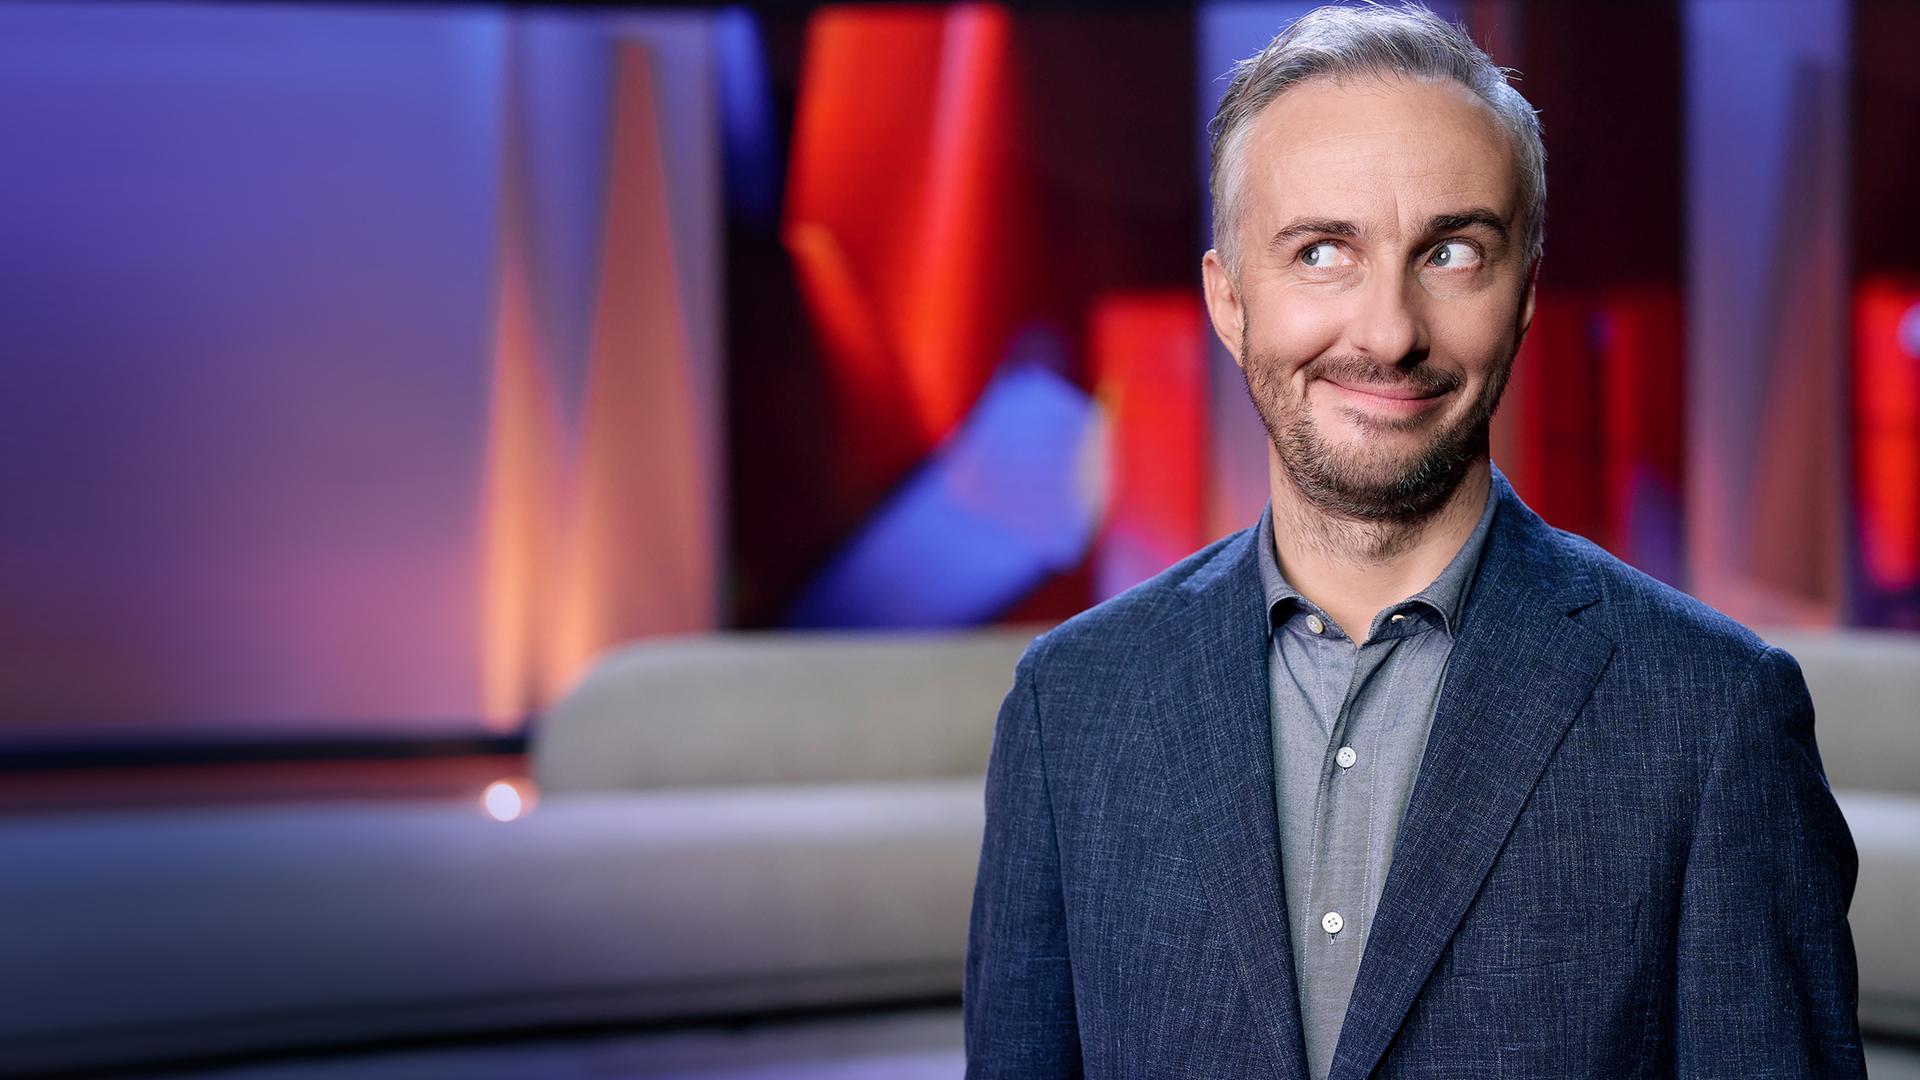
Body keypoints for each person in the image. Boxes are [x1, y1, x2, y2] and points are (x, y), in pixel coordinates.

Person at [962, 4, 1864, 1078]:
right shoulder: (1070, 706)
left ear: (1523, 292)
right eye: (1321, 252)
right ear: (1230, 300)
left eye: (1451, 252)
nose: (1389, 332)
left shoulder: (1713, 714)